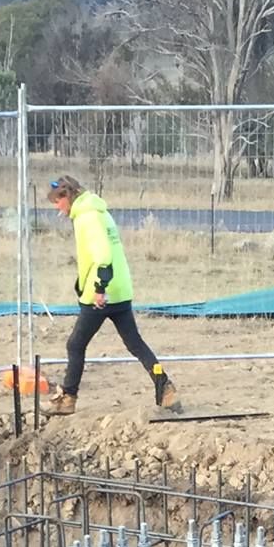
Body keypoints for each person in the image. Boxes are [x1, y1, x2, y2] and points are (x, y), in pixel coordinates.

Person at [45, 176, 179, 416]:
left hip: (101, 295)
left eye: (57, 202)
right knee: (135, 343)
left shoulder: (87, 217)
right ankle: (165, 387)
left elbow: (103, 255)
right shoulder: (100, 211)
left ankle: (67, 398)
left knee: (75, 345)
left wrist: (99, 288)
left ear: (66, 196)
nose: (57, 207)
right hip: (121, 290)